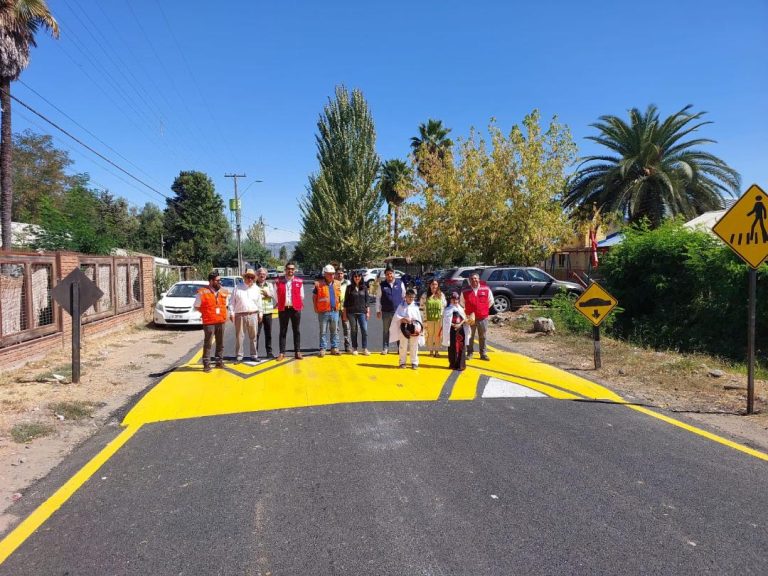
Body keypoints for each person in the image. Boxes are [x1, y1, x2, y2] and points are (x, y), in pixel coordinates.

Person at [193, 271, 230, 372]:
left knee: (220, 342)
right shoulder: (202, 292)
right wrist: (206, 312)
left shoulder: (224, 291)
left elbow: (225, 305)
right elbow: (196, 306)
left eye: (220, 280)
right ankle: (206, 364)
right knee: (208, 343)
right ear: (211, 281)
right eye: (218, 280)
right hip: (209, 322)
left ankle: (219, 361)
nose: (220, 282)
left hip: (221, 321)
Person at [229, 269, 262, 362]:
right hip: (240, 315)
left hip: (253, 314)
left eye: (252, 277)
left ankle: (254, 355)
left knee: (254, 336)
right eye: (248, 277)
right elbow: (231, 302)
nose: (250, 279)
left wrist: (261, 313)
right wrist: (231, 313)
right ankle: (239, 356)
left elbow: (259, 303)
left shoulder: (256, 289)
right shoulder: (237, 288)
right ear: (245, 278)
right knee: (239, 336)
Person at [460, 272, 494, 361]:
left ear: (479, 279)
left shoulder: (486, 289)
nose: (474, 280)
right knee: (470, 336)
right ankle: (470, 353)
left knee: (482, 336)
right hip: (470, 318)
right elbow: (462, 303)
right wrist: (467, 314)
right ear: (469, 280)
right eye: (471, 279)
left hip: (483, 317)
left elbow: (491, 301)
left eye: (475, 278)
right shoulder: (465, 291)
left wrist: (483, 310)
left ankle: (483, 354)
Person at [275, 261, 304, 361]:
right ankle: (282, 353)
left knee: (296, 331)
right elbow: (276, 294)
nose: (290, 270)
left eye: (292, 269)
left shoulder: (299, 281)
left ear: (294, 270)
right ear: (285, 270)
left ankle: (297, 351)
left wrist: (295, 302)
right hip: (283, 309)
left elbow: (302, 296)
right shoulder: (279, 281)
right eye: (288, 269)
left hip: (295, 308)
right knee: (283, 331)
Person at [313, 264, 342, 357]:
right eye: (329, 274)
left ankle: (334, 348)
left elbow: (340, 296)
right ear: (325, 274)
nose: (331, 276)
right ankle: (323, 348)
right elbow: (314, 297)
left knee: (335, 331)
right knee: (323, 331)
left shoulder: (338, 283)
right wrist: (315, 307)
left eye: (333, 274)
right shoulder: (319, 284)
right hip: (323, 312)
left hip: (335, 311)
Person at [390, 288, 424, 369]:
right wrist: (403, 319)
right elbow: (396, 317)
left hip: (414, 328)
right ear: (405, 296)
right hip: (404, 328)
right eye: (409, 297)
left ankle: (414, 362)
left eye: (412, 297)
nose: (411, 299)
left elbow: (419, 319)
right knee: (403, 345)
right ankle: (402, 362)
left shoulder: (415, 306)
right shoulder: (401, 306)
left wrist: (419, 329)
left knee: (414, 345)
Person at [376, 267, 405, 354]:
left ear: (394, 274)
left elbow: (404, 297)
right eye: (387, 274)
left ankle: (400, 348)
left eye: (391, 273)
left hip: (398, 312)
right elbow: (378, 298)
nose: (389, 275)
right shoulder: (382, 285)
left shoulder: (400, 283)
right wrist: (378, 310)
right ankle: (385, 348)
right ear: (385, 276)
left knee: (399, 330)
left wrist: (405, 310)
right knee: (386, 330)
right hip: (386, 312)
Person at [344, 269, 370, 355]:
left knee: (364, 330)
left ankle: (364, 348)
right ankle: (354, 348)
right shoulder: (349, 288)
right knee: (354, 330)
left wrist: (368, 310)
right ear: (353, 277)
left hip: (362, 312)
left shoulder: (365, 287)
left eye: (359, 276)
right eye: (355, 276)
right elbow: (345, 302)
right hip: (351, 312)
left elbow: (367, 300)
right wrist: (344, 313)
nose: (357, 278)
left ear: (361, 277)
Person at [442, 292, 469, 371]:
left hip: (460, 330)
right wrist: (453, 325)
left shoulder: (460, 308)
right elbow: (446, 321)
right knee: (452, 347)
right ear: (450, 300)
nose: (455, 301)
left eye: (457, 299)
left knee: (461, 347)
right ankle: (453, 364)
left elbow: (464, 318)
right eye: (454, 299)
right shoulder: (447, 310)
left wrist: (460, 324)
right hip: (452, 330)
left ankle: (461, 365)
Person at [420, 278, 446, 357]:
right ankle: (431, 351)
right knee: (429, 335)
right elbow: (421, 307)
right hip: (428, 319)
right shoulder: (425, 295)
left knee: (437, 335)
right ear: (430, 286)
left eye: (435, 284)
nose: (434, 286)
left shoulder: (441, 295)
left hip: (438, 319)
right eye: (432, 284)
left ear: (438, 286)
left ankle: (437, 351)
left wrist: (442, 317)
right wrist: (423, 319)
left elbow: (444, 305)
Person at [255, 267, 275, 358]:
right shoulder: (254, 286)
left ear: (266, 275)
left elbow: (273, 295)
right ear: (257, 275)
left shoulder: (269, 285)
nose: (262, 275)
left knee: (268, 333)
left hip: (268, 312)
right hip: (257, 313)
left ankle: (269, 352)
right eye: (260, 274)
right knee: (256, 334)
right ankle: (255, 353)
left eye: (263, 274)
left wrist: (268, 294)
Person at [335, 267, 352, 352]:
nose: (340, 275)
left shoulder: (348, 283)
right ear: (335, 274)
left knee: (346, 327)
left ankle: (347, 346)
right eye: (338, 273)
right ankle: (336, 346)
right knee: (335, 328)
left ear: (343, 274)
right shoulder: (333, 282)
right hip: (335, 308)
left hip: (345, 308)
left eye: (341, 273)